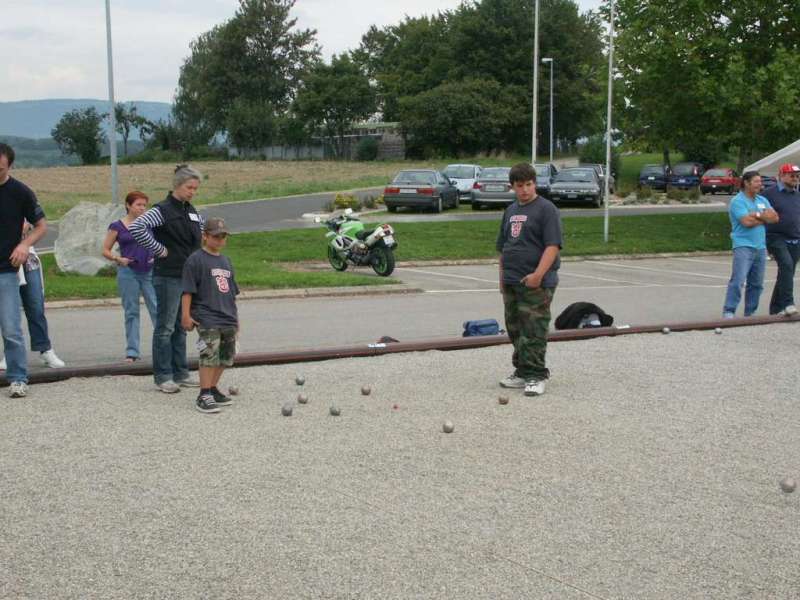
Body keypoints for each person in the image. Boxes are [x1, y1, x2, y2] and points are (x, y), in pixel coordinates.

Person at [130, 165, 204, 393]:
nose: (192, 192)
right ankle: (163, 375)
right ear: (177, 185)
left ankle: (181, 372)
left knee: (182, 325)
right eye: (189, 187)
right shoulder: (161, 210)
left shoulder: (192, 211)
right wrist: (159, 250)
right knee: (165, 326)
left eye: (195, 188)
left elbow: (199, 236)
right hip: (168, 275)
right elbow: (137, 227)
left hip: (188, 275)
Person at [496, 162, 562, 396]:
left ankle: (535, 375)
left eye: (529, 184)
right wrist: (502, 279)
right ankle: (522, 371)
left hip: (537, 282)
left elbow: (552, 246)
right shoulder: (511, 210)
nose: (525, 190)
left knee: (534, 329)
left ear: (535, 183)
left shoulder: (546, 209)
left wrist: (538, 275)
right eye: (520, 185)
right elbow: (503, 247)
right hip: (512, 280)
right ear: (512, 186)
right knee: (515, 328)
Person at [0, 142, 48, 398]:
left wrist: (24, 245)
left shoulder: (21, 192)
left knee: (10, 328)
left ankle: (18, 377)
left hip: (6, 269)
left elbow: (42, 225)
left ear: (9, 166)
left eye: (0, 169)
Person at [180, 218, 239, 414]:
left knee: (225, 356)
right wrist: (186, 316)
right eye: (216, 236)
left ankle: (213, 388)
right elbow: (187, 291)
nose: (220, 240)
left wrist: (236, 319)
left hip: (227, 315)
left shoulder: (226, 261)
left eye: (223, 236)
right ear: (205, 236)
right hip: (206, 315)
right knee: (209, 355)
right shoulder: (195, 260)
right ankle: (203, 394)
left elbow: (231, 293)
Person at [102, 191, 157, 362]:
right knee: (131, 311)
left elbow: (161, 243)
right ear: (128, 205)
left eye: (144, 205)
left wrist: (157, 254)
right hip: (128, 272)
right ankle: (132, 352)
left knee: (157, 309)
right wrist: (118, 258)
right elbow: (105, 250)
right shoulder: (117, 226)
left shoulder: (150, 224)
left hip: (149, 270)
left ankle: (164, 348)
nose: (142, 208)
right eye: (138, 205)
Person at [722, 171, 779, 318]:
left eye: (760, 181)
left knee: (757, 284)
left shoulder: (762, 200)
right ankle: (729, 311)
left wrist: (756, 215)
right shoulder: (738, 201)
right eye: (756, 181)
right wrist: (763, 216)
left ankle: (750, 312)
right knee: (738, 280)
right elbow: (746, 222)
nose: (760, 184)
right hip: (743, 245)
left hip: (760, 247)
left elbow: (775, 218)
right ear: (746, 183)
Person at [763, 163, 800, 316]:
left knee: (787, 272)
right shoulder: (769, 194)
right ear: (782, 176)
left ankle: (775, 309)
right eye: (792, 175)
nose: (795, 178)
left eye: (797, 176)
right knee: (786, 265)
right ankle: (788, 303)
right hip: (775, 237)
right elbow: (761, 213)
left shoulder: (797, 195)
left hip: (795, 238)